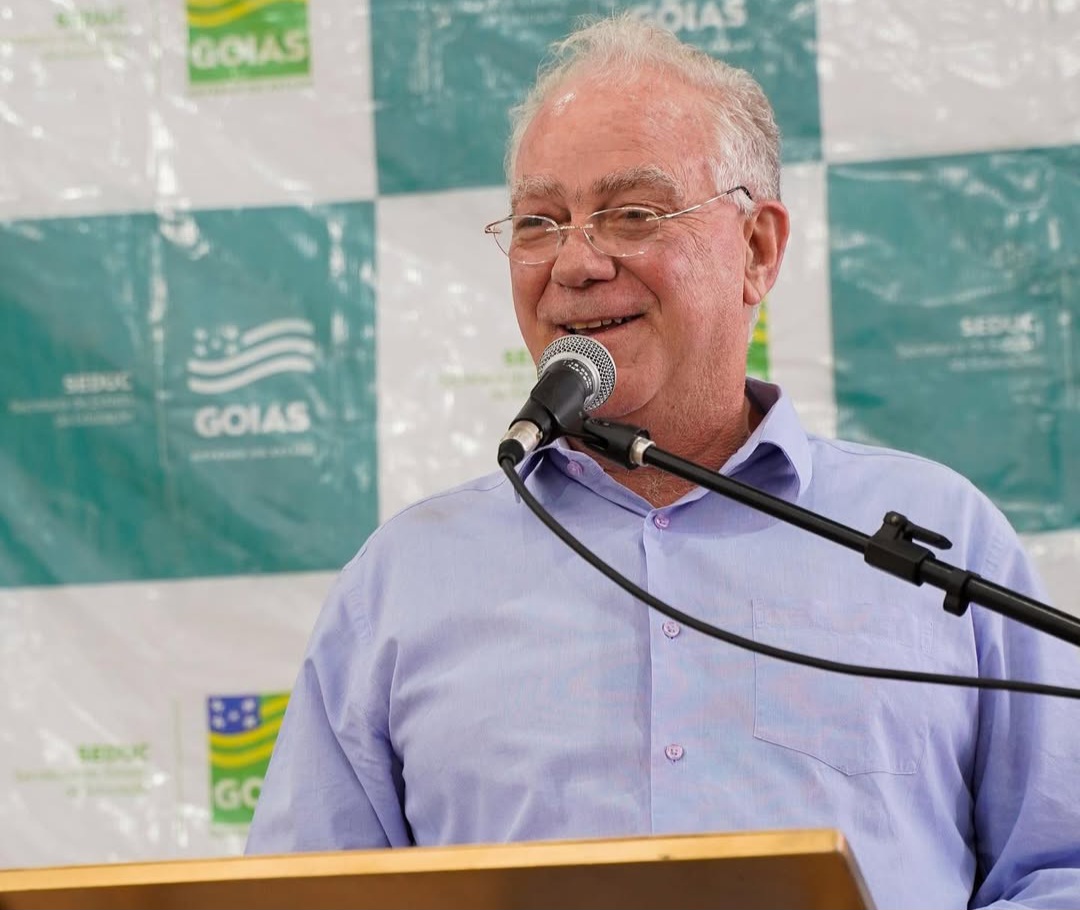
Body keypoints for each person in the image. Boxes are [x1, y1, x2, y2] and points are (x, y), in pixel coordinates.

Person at [246, 14, 1080, 908]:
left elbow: (1060, 870)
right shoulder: (406, 578)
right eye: (538, 223)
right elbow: (301, 896)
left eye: (632, 214)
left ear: (756, 249)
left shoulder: (937, 539)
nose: (575, 263)